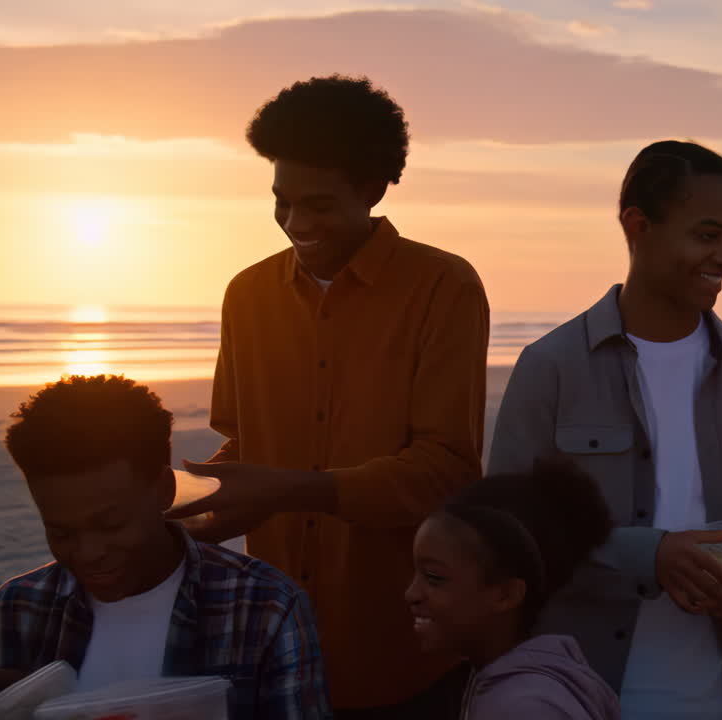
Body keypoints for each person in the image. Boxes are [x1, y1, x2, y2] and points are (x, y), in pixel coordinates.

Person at [165, 75, 490, 717]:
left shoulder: (443, 287)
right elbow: (245, 446)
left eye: (317, 204)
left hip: (404, 657)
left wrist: (287, 488)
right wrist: (185, 503)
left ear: (372, 190)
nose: (294, 223)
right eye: (281, 201)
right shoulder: (246, 295)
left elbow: (445, 471)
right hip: (273, 650)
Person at [488, 140, 722, 720]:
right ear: (639, 226)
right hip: (581, 693)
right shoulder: (550, 366)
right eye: (708, 234)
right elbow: (507, 525)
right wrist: (645, 554)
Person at [0, 375, 330, 719]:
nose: (88, 553)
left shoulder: (265, 607)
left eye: (111, 525)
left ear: (163, 490)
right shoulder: (16, 610)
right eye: (61, 532)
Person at [405, 458, 622, 720]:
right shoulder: (499, 683)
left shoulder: (526, 709)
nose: (411, 594)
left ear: (506, 594)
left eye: (434, 577)